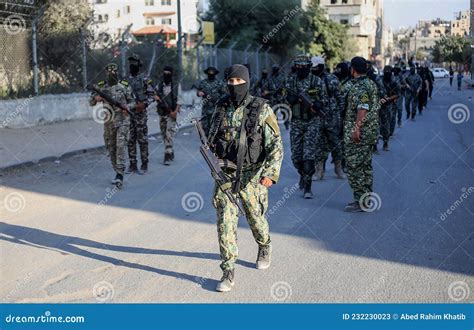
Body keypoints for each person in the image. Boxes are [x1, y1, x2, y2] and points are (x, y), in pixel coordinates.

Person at [207, 64, 283, 292]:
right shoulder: (221, 106)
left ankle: (264, 244)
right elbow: (212, 137)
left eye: (238, 82)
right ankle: (228, 271)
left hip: (252, 174)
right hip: (226, 173)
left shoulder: (261, 108)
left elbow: (276, 145)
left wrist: (271, 173)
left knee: (254, 217)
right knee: (225, 221)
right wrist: (211, 151)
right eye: (230, 82)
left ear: (247, 82)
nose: (234, 86)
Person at [89, 63, 135, 188]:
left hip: (123, 121)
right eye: (109, 72)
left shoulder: (124, 86)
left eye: (114, 72)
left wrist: (127, 107)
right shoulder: (101, 86)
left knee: (120, 145)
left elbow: (133, 102)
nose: (112, 74)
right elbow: (91, 102)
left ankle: (120, 175)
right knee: (111, 148)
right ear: (106, 73)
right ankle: (117, 170)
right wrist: (96, 98)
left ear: (117, 72)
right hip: (109, 122)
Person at [343, 57, 380, 212]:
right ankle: (366, 199)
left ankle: (360, 200)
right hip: (370, 132)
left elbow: (362, 107)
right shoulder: (371, 83)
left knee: (354, 166)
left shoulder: (359, 87)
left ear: (353, 70)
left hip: (360, 133)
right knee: (365, 166)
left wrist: (356, 128)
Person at [285, 55, 324, 199]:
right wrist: (295, 98)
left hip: (312, 122)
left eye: (304, 67)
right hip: (296, 122)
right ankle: (302, 175)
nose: (301, 70)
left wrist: (317, 105)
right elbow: (287, 97)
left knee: (308, 155)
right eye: (298, 67)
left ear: (309, 67)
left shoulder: (316, 81)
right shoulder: (291, 81)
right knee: (296, 157)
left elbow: (323, 99)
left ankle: (308, 187)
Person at [311, 56, 344, 180]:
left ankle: (338, 169)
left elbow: (340, 98)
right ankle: (319, 171)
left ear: (321, 66)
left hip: (332, 118)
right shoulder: (310, 81)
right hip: (317, 118)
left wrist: (340, 116)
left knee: (335, 144)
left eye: (315, 67)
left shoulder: (332, 79)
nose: (313, 69)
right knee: (318, 144)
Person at [126, 54, 154, 174]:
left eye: (134, 64)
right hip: (128, 114)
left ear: (139, 65)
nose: (132, 66)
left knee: (142, 140)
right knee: (130, 140)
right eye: (130, 64)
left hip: (140, 114)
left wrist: (144, 104)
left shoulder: (145, 79)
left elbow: (152, 95)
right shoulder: (125, 80)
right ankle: (132, 164)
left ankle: (144, 164)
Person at [154, 66, 180, 165]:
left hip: (172, 113)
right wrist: (156, 97)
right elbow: (154, 95)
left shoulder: (176, 85)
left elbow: (180, 100)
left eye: (168, 73)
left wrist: (175, 112)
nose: (166, 75)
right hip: (161, 113)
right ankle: (170, 150)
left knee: (169, 133)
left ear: (171, 75)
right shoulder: (159, 85)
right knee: (164, 134)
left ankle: (167, 155)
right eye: (165, 73)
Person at [197, 66, 226, 137]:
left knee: (216, 126)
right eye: (209, 72)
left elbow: (224, 94)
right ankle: (207, 142)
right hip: (206, 109)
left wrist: (218, 100)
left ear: (215, 73)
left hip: (216, 108)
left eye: (212, 72)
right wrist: (199, 93)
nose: (211, 74)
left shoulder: (219, 83)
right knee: (205, 127)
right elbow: (198, 92)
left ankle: (214, 142)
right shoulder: (203, 83)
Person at [381, 65, 400, 143]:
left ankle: (386, 141)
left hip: (389, 105)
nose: (387, 72)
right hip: (378, 105)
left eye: (389, 71)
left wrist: (389, 99)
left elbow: (397, 94)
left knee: (388, 123)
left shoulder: (394, 82)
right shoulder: (379, 80)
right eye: (386, 71)